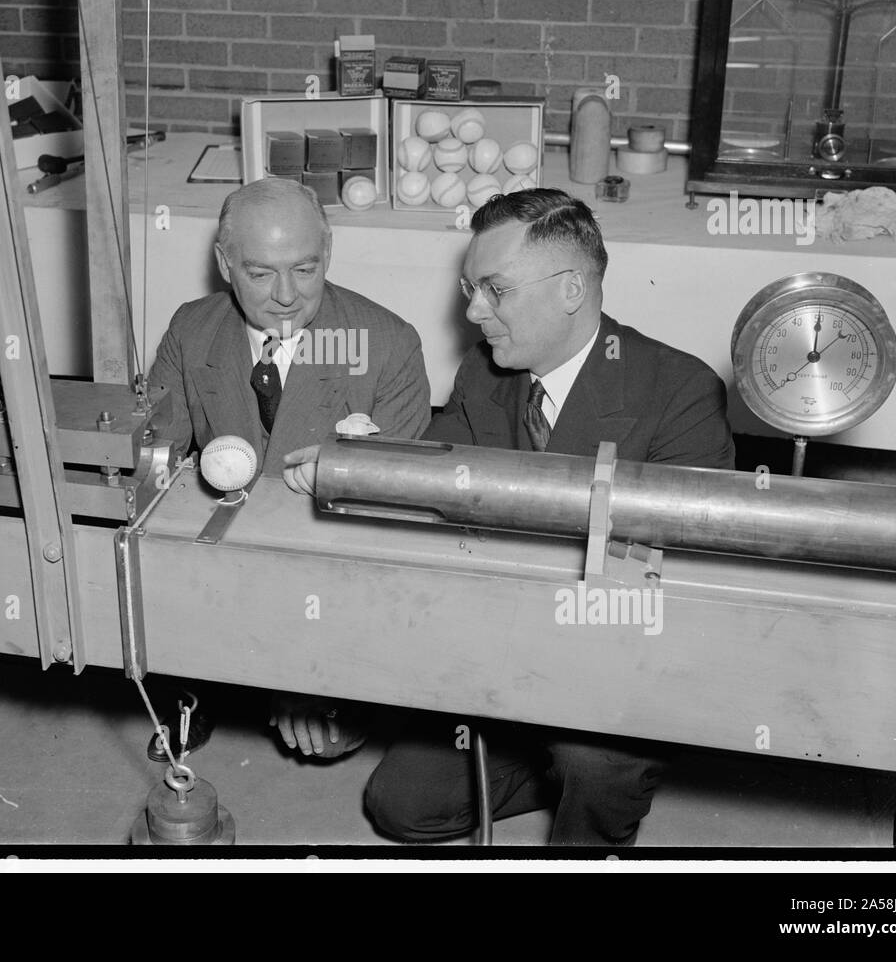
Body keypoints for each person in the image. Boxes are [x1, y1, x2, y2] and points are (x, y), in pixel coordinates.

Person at [286, 187, 735, 844]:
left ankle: (597, 786)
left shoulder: (680, 392)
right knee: (402, 806)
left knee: (594, 759)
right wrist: (357, 464)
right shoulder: (486, 371)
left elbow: (676, 591)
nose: (472, 310)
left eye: (495, 290)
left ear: (572, 290)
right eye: (471, 288)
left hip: (616, 657)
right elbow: (447, 491)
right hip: (506, 641)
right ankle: (551, 767)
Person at [146, 177, 432, 761]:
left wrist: (308, 671)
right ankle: (193, 683)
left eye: (305, 269)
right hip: (218, 553)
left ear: (328, 254)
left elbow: (388, 533)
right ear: (224, 264)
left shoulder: (388, 345)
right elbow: (155, 472)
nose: (285, 296)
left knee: (321, 734)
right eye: (259, 272)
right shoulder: (190, 329)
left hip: (328, 567)